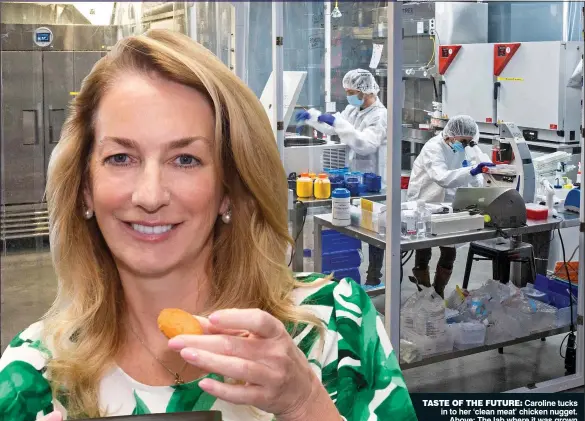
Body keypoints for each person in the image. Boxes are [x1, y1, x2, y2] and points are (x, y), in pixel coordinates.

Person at [0, 30, 416, 421]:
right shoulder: (35, 374)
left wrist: (306, 403)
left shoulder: (333, 330)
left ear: (228, 191)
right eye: (120, 158)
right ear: (86, 189)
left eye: (185, 160)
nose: (149, 195)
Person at [296, 69, 387, 286]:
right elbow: (333, 128)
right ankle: (351, 273)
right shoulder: (352, 109)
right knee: (353, 226)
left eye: (352, 91)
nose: (349, 96)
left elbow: (365, 145)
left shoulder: (380, 115)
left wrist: (337, 123)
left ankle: (375, 276)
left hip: (374, 181)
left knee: (376, 231)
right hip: (353, 178)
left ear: (366, 91)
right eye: (347, 91)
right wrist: (314, 117)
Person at [406, 115, 494, 297]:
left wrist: (485, 181)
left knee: (449, 252)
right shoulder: (433, 147)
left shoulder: (463, 146)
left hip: (448, 204)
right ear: (451, 135)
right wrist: (472, 171)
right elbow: (443, 178)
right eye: (463, 141)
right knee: (423, 247)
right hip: (425, 201)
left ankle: (438, 294)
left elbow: (473, 172)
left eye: (469, 142)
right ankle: (423, 291)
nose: (465, 145)